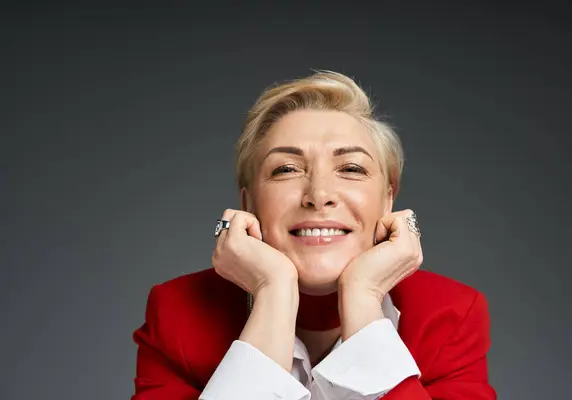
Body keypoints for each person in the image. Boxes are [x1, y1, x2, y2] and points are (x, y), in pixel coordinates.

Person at [130, 70, 496, 399]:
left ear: (388, 199)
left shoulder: (450, 316)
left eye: (351, 168)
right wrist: (272, 293)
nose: (319, 194)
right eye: (286, 169)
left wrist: (364, 301)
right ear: (249, 203)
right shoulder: (178, 312)